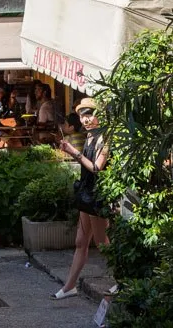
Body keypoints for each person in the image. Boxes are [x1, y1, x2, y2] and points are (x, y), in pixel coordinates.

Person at [54, 97, 110, 300]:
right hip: (86, 192)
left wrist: (74, 152)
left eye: (90, 114)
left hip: (96, 194)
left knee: (102, 242)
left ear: (99, 116)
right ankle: (69, 286)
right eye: (82, 115)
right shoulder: (90, 137)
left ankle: (123, 280)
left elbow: (96, 167)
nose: (86, 120)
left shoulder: (104, 138)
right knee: (80, 241)